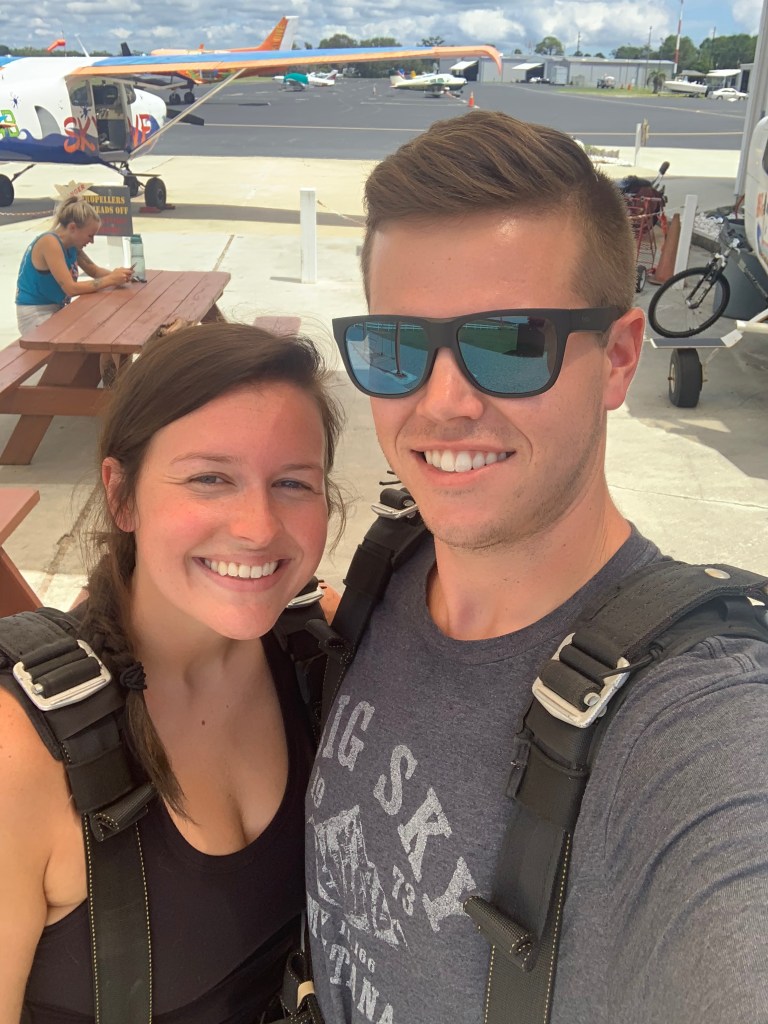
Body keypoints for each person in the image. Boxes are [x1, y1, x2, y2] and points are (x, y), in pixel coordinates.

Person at [306, 111, 768, 1023]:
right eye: (397, 347)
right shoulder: (389, 573)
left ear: (619, 359)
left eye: (511, 343)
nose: (442, 403)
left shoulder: (694, 727)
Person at [0, 322, 344, 1022]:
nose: (258, 527)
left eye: (292, 482)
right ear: (121, 495)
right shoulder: (21, 753)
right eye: (210, 478)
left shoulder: (317, 650)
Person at [15, 195, 133, 335]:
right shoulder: (50, 243)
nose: (92, 241)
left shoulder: (71, 244)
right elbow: (71, 288)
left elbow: (94, 271)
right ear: (72, 228)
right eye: (90, 236)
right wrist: (111, 279)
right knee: (88, 333)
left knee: (97, 326)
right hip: (36, 313)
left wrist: (120, 275)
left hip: (55, 307)